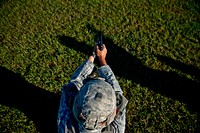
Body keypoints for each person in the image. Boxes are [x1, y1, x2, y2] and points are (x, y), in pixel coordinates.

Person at [57, 44, 128, 133]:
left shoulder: (65, 127)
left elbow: (74, 83)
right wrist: (102, 59)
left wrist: (92, 57)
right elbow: (119, 96)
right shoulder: (117, 130)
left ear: (75, 106)